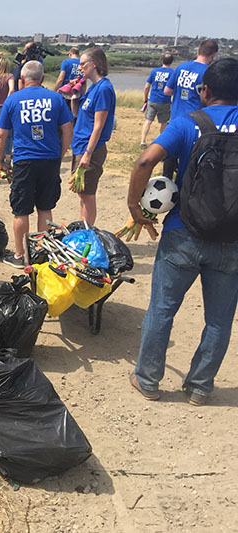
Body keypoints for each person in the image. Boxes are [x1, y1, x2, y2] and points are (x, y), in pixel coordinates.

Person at [127, 58, 238, 406]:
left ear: (205, 91)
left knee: (162, 308)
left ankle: (148, 380)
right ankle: (200, 386)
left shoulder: (189, 123)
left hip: (182, 232)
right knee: (219, 320)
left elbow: (146, 160)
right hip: (231, 240)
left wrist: (135, 207)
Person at [0, 61, 74, 268]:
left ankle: (21, 255)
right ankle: (43, 253)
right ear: (42, 79)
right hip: (50, 161)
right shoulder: (56, 98)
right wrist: (60, 153)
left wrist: (1, 161)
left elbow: (2, 135)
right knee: (45, 208)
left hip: (24, 161)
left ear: (22, 80)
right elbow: (68, 131)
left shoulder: (13, 100)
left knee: (21, 211)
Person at [70, 47, 116, 225]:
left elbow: (99, 125)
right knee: (81, 192)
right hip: (80, 145)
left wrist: (88, 153)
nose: (79, 68)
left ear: (94, 65)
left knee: (88, 194)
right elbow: (76, 115)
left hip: (91, 148)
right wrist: (75, 95)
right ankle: (84, 226)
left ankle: (88, 231)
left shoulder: (104, 89)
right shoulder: (91, 88)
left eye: (83, 64)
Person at [162, 39, 219, 180]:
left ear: (197, 51)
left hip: (176, 118)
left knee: (171, 155)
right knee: (188, 163)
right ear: (213, 56)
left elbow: (167, 91)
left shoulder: (181, 67)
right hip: (195, 122)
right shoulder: (208, 73)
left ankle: (166, 181)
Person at [140, 53, 175, 147]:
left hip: (153, 99)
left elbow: (147, 86)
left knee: (148, 121)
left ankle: (143, 141)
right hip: (165, 101)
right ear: (171, 62)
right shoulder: (172, 73)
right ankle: (161, 142)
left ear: (162, 61)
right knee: (163, 123)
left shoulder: (154, 71)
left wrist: (145, 99)